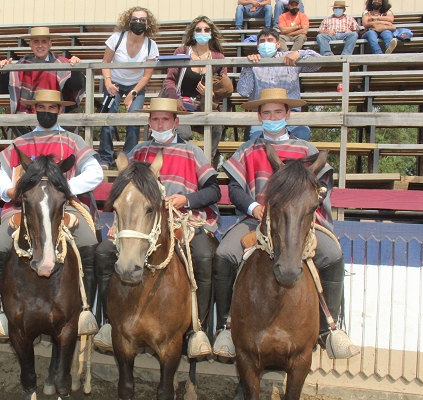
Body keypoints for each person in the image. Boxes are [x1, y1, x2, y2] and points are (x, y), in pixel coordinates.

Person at [211, 88, 358, 359]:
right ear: (258, 116)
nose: (272, 116)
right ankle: (224, 326)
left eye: (278, 112)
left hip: (300, 223)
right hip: (254, 221)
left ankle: (329, 330)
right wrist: (255, 207)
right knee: (224, 254)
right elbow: (234, 189)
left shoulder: (307, 151)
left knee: (333, 254)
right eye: (266, 112)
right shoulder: (247, 150)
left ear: (288, 114)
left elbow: (321, 188)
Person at [94, 98, 220, 353]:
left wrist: (187, 198)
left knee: (204, 256)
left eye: (165, 119)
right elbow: (124, 195)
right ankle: (107, 323)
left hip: (185, 221)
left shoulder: (193, 152)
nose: (160, 123)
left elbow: (214, 190)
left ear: (176, 122)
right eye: (155, 119)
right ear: (149, 122)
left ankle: (199, 330)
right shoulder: (138, 152)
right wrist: (120, 222)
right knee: (103, 253)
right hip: (141, 224)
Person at [0, 89, 103, 337]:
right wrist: (9, 191)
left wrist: (61, 190)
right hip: (24, 206)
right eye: (42, 107)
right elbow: (2, 175)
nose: (47, 112)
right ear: (34, 109)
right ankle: (0, 311)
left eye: (52, 108)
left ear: (60, 110)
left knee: (89, 243)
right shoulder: (21, 143)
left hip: (64, 206)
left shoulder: (72, 141)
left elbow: (95, 173)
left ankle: (85, 309)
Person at [98, 6, 160, 169]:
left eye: (142, 20)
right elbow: (105, 62)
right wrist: (108, 82)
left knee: (133, 121)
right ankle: (105, 159)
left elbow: (147, 75)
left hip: (136, 85)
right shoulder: (117, 38)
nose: (138, 22)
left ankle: (129, 159)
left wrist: (133, 93)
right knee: (108, 119)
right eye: (135, 19)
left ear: (148, 24)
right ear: (129, 21)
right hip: (114, 83)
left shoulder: (151, 45)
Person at [162, 15, 231, 159]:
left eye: (206, 29)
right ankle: (183, 160)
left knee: (217, 125)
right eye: (198, 29)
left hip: (203, 104)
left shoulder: (218, 57)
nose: (202, 32)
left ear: (211, 33)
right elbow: (169, 80)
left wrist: (210, 94)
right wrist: (175, 99)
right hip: (181, 106)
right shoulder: (182, 52)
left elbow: (224, 86)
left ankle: (207, 161)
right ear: (193, 33)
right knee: (184, 133)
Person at [0, 26, 83, 136]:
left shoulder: (62, 63)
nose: (40, 45)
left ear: (50, 44)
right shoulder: (22, 65)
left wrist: (75, 67)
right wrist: (5, 70)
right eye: (36, 42)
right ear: (30, 45)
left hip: (56, 114)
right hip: (27, 117)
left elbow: (76, 86)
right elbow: (3, 90)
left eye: (44, 42)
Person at [237, 28, 320, 140]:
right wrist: (247, 65)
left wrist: (299, 53)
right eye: (262, 41)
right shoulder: (253, 62)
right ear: (257, 46)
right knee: (256, 138)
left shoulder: (290, 57)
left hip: (290, 114)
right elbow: (243, 91)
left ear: (278, 44)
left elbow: (318, 63)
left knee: (302, 133)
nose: (266, 43)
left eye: (270, 40)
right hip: (263, 115)